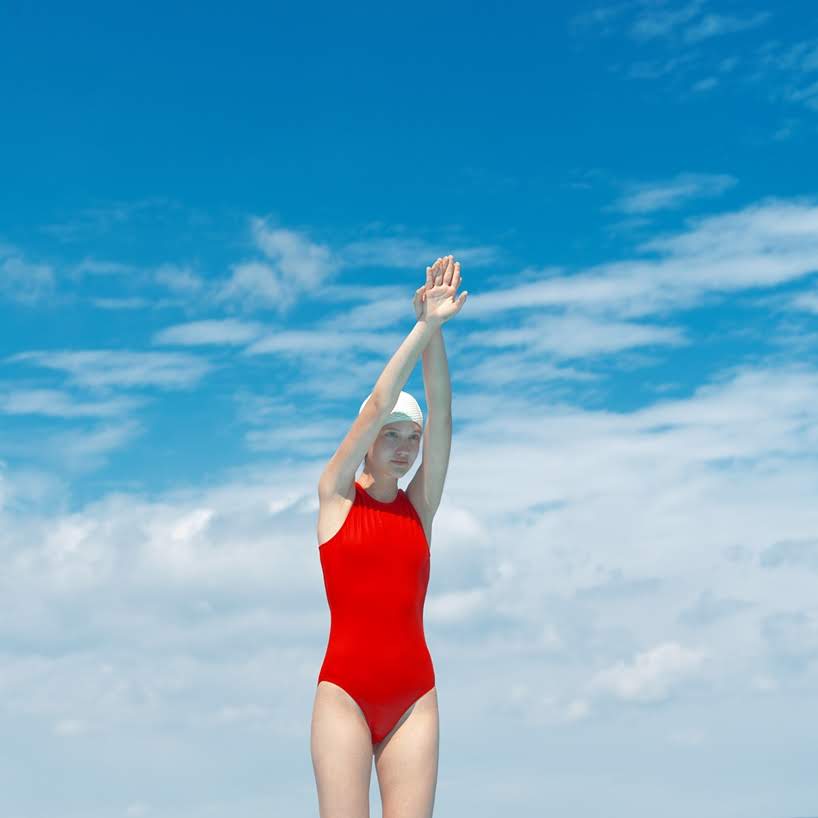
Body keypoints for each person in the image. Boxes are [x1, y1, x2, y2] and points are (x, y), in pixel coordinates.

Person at [310, 255, 468, 818]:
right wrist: (421, 326)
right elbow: (379, 401)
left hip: (414, 696)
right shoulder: (335, 497)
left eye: (412, 437)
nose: (405, 447)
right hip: (345, 696)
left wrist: (438, 332)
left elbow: (444, 414)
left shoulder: (419, 508)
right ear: (368, 438)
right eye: (392, 435)